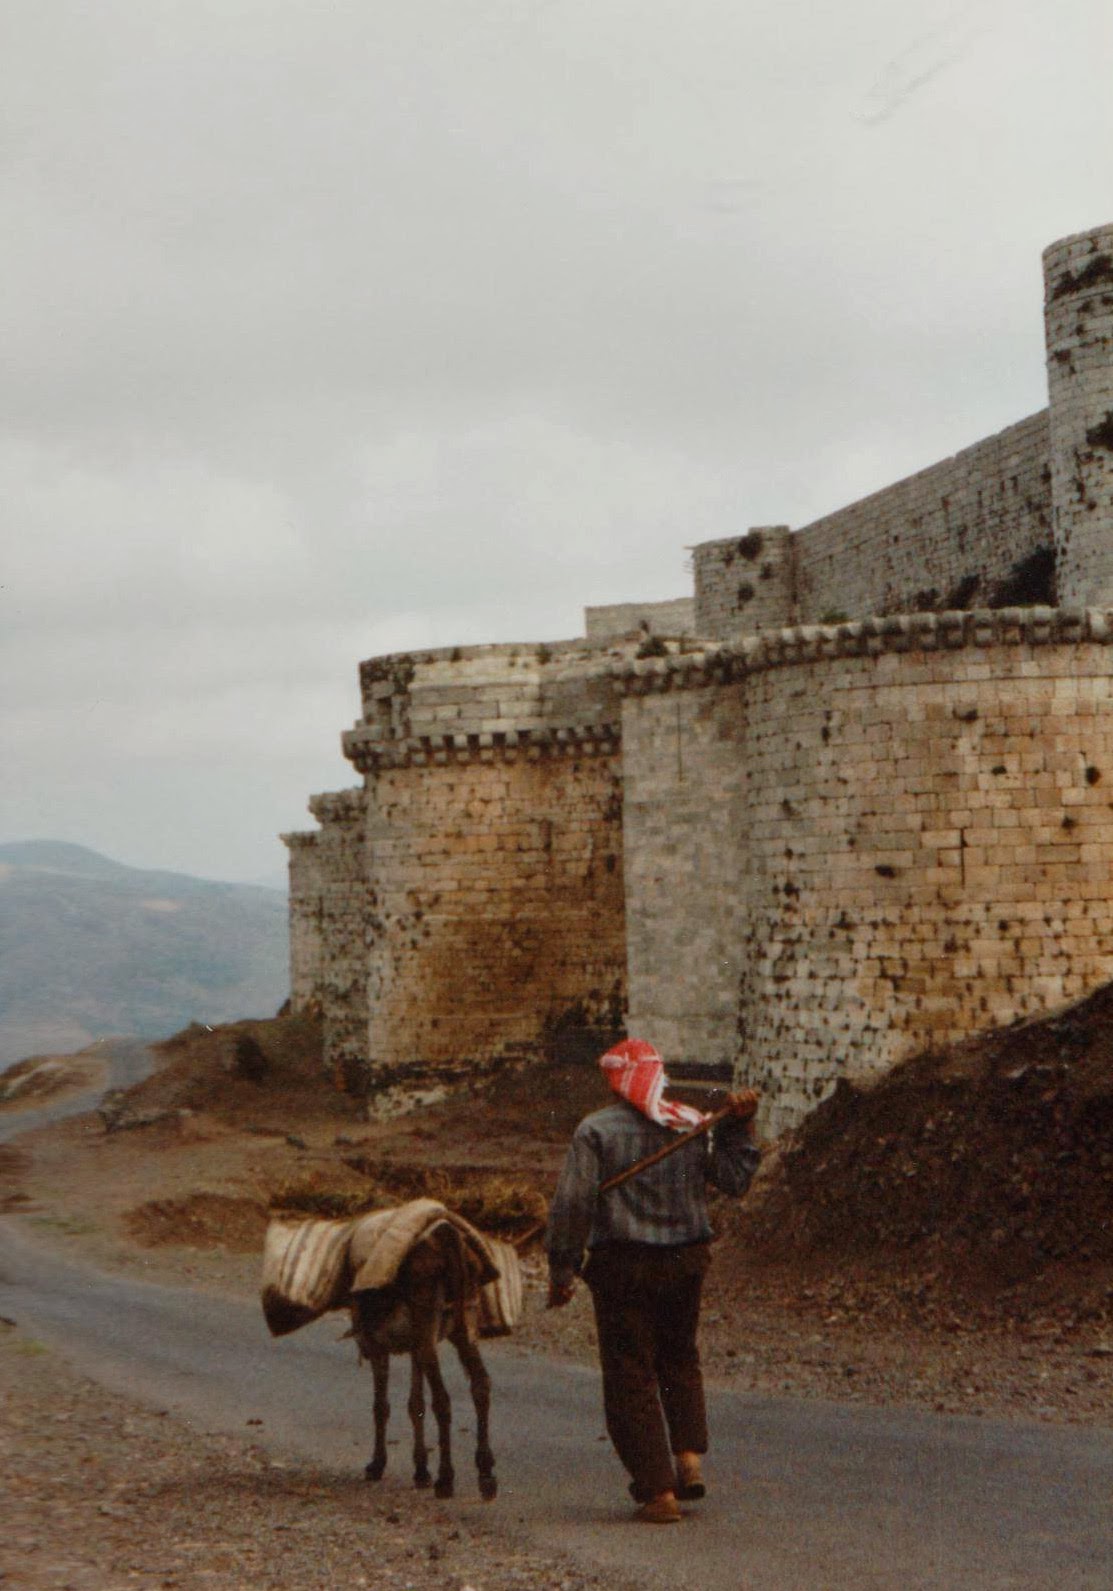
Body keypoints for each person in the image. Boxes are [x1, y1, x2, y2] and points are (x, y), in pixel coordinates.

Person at [546, 1038, 760, 1524]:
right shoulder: (687, 1123)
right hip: (686, 1262)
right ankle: (689, 1460)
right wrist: (738, 1128)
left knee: (630, 1374)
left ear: (614, 1082)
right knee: (679, 1357)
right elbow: (735, 1180)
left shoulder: (596, 1130)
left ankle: (658, 1492)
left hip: (624, 1266)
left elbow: (573, 1205)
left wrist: (562, 1269)